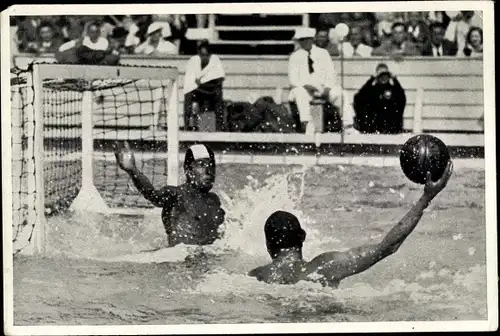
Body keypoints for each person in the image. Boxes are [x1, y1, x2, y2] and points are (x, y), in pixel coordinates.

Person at [249, 160, 454, 286]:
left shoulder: (257, 276)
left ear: (268, 245)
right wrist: (426, 197)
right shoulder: (325, 267)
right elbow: (389, 246)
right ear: (303, 236)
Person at [114, 142, 226, 247]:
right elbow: (152, 195)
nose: (208, 170)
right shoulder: (176, 195)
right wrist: (133, 170)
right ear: (188, 171)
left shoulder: (214, 200)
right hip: (180, 263)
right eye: (201, 165)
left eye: (211, 165)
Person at [288, 27, 353, 135]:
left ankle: (348, 125)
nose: (305, 42)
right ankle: (307, 124)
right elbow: (293, 80)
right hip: (305, 89)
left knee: (340, 93)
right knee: (299, 93)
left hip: (323, 88)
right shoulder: (294, 57)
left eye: (307, 39)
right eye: (302, 40)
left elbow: (331, 74)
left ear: (312, 39)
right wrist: (308, 87)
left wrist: (327, 89)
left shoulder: (323, 53)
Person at [183, 40, 226, 131]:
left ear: (210, 55)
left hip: (211, 88)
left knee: (217, 95)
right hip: (196, 89)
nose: (204, 57)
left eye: (206, 55)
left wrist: (205, 83)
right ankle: (187, 126)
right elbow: (190, 82)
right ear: (199, 54)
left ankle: (217, 127)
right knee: (189, 96)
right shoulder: (193, 61)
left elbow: (219, 79)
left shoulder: (215, 61)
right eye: (202, 55)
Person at [353, 63, 406, 134]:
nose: (384, 77)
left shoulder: (393, 89)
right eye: (381, 75)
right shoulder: (372, 89)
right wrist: (371, 79)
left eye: (386, 75)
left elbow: (402, 99)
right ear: (377, 76)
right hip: (374, 128)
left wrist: (395, 80)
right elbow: (358, 98)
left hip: (390, 129)